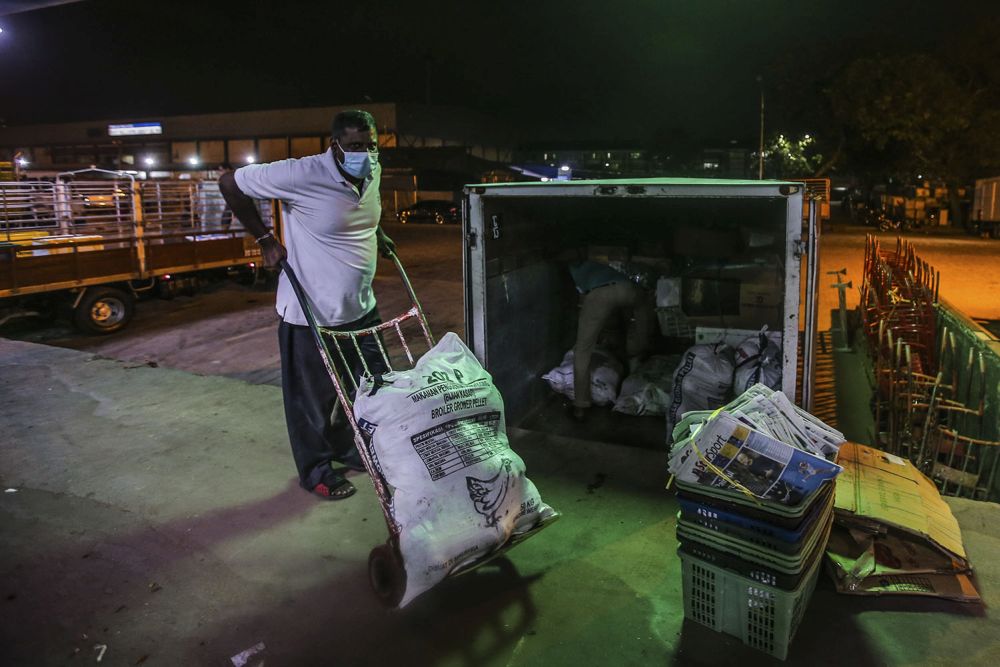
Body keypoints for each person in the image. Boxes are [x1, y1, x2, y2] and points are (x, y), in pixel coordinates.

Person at [219, 109, 395, 501]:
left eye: (370, 145)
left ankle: (349, 448)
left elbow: (360, 209)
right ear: (334, 145)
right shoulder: (302, 174)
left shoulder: (372, 170)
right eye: (354, 146)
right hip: (310, 314)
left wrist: (377, 231)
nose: (364, 153)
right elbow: (228, 182)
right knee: (312, 402)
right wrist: (264, 238)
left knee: (371, 389)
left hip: (361, 308)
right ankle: (315, 469)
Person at [568, 259, 653, 421]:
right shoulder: (598, 266)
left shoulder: (572, 270)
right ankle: (632, 382)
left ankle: (580, 406)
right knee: (636, 335)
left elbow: (583, 299)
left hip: (602, 295)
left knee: (582, 351)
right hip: (632, 291)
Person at [217, 162, 235, 230]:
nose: (220, 172)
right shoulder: (226, 178)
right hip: (231, 198)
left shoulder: (233, 176)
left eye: (221, 170)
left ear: (227, 169)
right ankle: (225, 229)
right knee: (227, 213)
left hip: (237, 198)